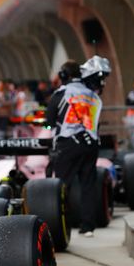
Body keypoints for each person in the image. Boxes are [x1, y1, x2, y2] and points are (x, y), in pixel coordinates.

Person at [46, 57, 110, 237]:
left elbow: (49, 122)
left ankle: (60, 226)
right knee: (88, 185)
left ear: (63, 75)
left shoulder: (61, 94)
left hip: (68, 144)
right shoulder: (94, 96)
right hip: (90, 145)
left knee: (60, 187)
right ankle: (88, 226)